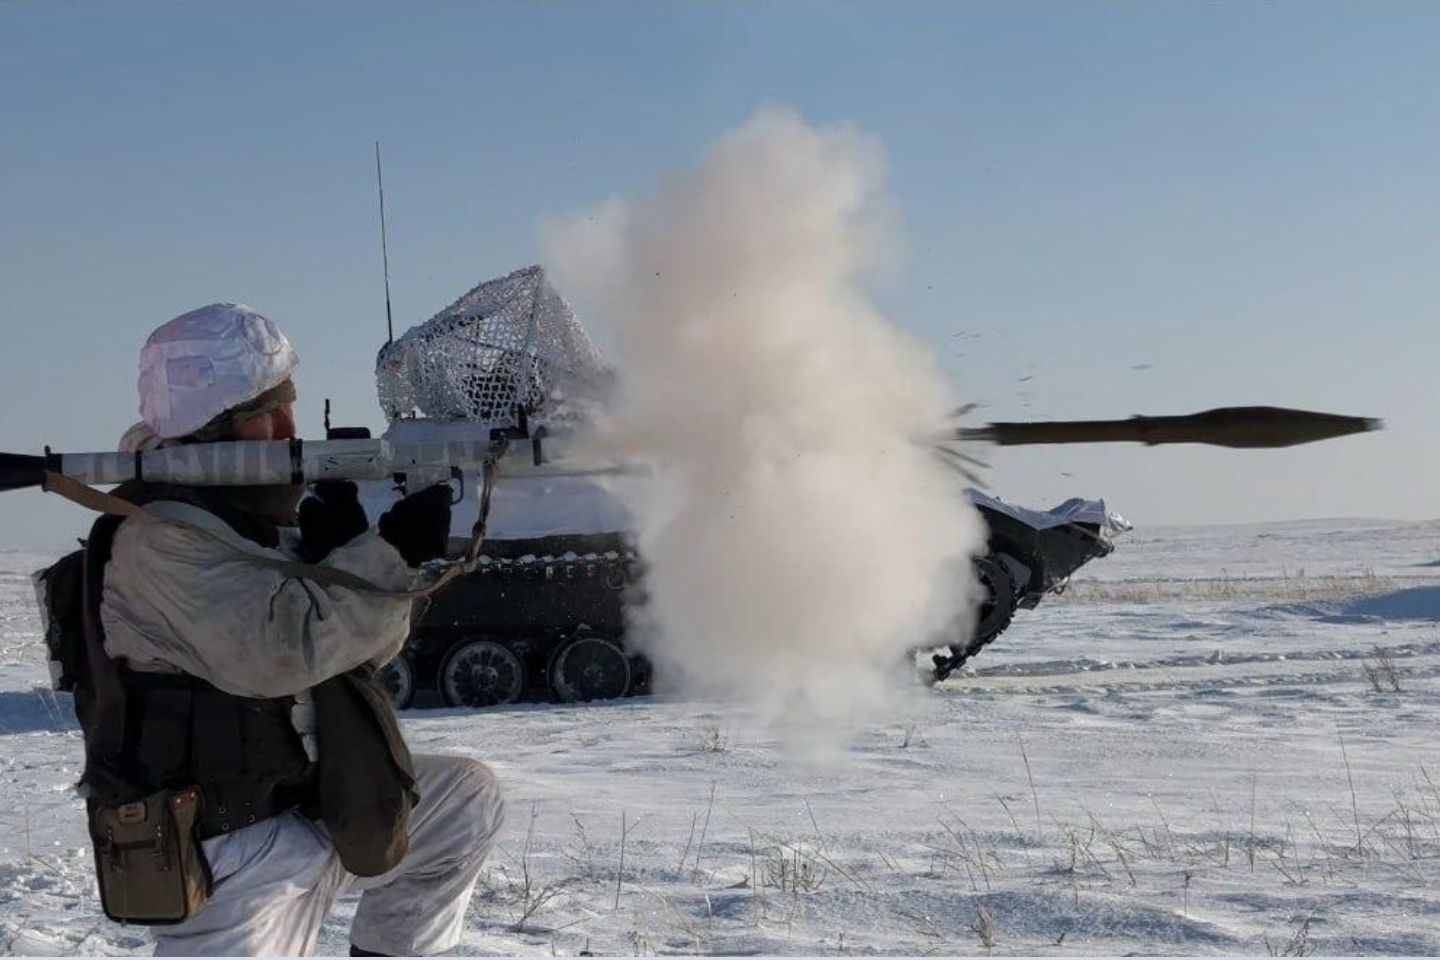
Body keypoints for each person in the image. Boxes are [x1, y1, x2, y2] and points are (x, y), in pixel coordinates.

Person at [85, 303, 504, 956]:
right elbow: (284, 653)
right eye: (264, 414)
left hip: (310, 807)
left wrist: (347, 555)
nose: (288, 428)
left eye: (288, 404)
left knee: (464, 799)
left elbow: (364, 647)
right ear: (212, 429)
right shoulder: (159, 538)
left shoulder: (242, 514)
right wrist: (382, 555)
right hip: (227, 850)